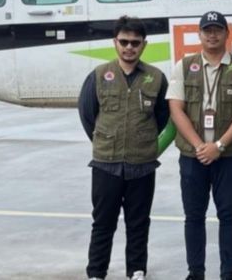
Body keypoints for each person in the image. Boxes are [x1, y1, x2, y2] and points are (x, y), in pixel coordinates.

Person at [78, 15, 169, 280]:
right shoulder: (98, 76)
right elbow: (87, 114)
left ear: (144, 45)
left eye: (135, 43)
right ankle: (96, 273)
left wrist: (144, 142)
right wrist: (104, 142)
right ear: (115, 42)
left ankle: (137, 271)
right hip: (106, 164)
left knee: (138, 224)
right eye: (124, 42)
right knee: (103, 224)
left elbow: (162, 118)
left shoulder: (156, 78)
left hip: (142, 166)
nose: (129, 47)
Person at [167, 11, 232, 280]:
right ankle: (196, 273)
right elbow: (176, 109)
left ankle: (229, 273)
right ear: (200, 34)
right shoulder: (184, 65)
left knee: (229, 216)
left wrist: (218, 145)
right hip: (192, 157)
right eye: (207, 30)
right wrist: (199, 146)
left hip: (227, 156)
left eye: (217, 29)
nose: (212, 34)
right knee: (194, 217)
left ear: (227, 33)